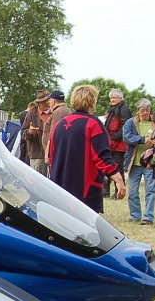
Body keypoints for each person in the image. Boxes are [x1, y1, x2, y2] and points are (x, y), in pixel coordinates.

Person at [48, 84, 126, 213]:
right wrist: (119, 180)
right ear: (92, 102)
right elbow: (102, 157)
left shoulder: (60, 124)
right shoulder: (93, 124)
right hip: (84, 190)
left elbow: (51, 158)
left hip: (59, 188)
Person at [122, 99, 155, 224]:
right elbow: (126, 137)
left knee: (151, 190)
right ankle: (135, 215)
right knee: (132, 191)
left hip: (150, 163)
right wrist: (142, 140)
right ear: (138, 111)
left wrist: (154, 142)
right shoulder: (130, 123)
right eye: (142, 110)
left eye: (147, 110)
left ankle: (148, 217)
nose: (145, 113)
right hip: (134, 163)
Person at [20, 90, 51, 175]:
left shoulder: (55, 112)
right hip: (37, 155)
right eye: (43, 101)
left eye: (47, 100)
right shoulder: (31, 113)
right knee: (38, 183)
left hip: (53, 155)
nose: (46, 103)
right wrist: (30, 132)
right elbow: (23, 134)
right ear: (38, 103)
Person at [41, 89, 71, 167]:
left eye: (49, 100)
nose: (49, 103)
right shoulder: (67, 110)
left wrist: (48, 153)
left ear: (53, 101)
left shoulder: (58, 113)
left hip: (55, 153)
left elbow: (52, 134)